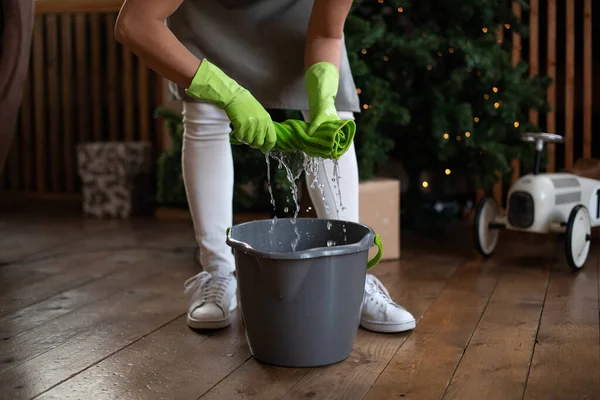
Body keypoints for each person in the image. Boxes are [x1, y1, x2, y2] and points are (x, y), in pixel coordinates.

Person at [115, 0, 416, 334]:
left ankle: (351, 277)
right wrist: (227, 94)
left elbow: (326, 35)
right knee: (205, 114)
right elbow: (134, 25)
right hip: (206, 18)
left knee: (332, 120)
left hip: (299, 21)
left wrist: (323, 102)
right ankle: (218, 271)